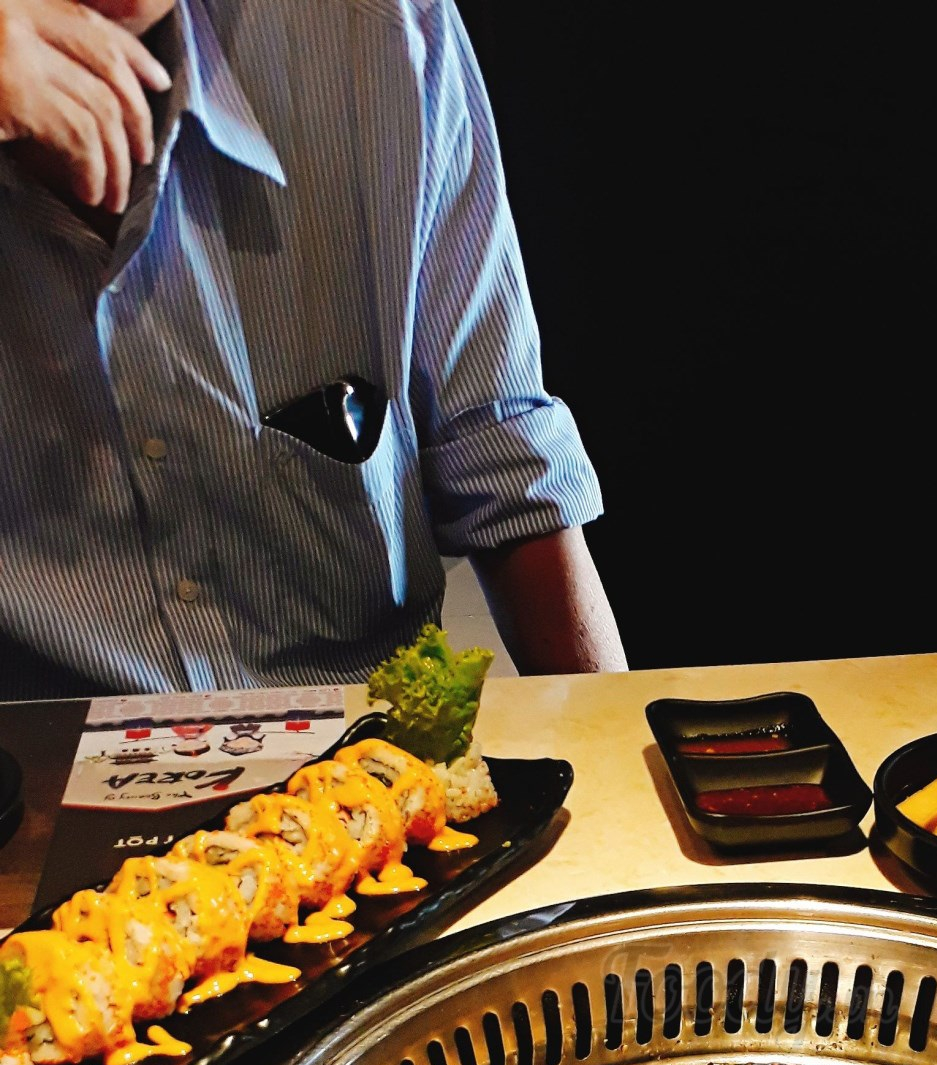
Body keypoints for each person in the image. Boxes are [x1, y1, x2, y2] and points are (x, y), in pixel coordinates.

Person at [0, 0, 627, 692]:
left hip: (360, 744)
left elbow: (500, 452)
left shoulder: (383, 28)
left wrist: (609, 738)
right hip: (34, 748)